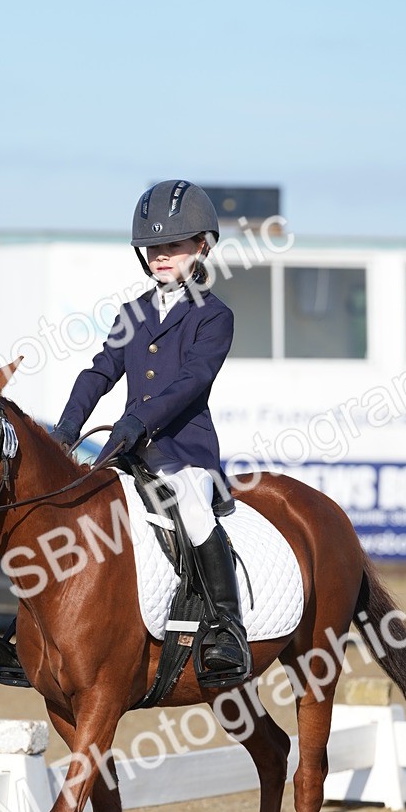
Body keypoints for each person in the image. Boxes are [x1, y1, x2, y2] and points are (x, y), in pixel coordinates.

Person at [51, 179, 250, 676]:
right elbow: (101, 370)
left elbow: (191, 380)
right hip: (127, 451)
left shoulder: (214, 315)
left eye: (172, 246)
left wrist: (138, 420)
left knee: (192, 506)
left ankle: (226, 625)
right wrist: (67, 426)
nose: (161, 255)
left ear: (201, 246)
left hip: (185, 452)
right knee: (72, 506)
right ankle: (34, 626)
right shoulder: (132, 313)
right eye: (153, 248)